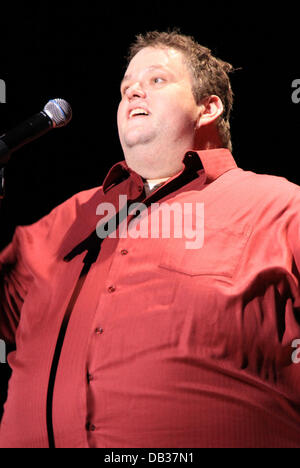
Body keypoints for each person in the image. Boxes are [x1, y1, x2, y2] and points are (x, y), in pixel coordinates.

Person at [0, 29, 300, 448]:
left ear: (208, 107)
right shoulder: (66, 219)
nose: (134, 92)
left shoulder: (280, 206)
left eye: (156, 80)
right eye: (126, 88)